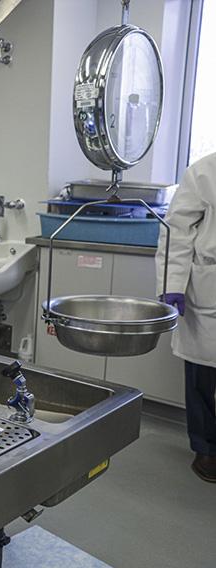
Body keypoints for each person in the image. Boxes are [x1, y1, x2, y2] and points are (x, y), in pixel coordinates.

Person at [156, 151, 216, 483]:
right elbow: (176, 230)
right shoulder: (205, 171)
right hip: (209, 286)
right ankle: (206, 448)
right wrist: (171, 284)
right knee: (201, 376)